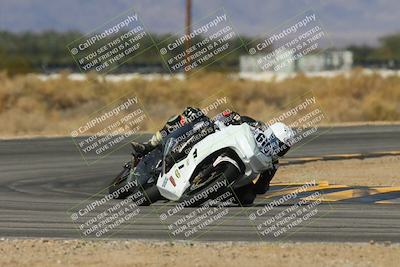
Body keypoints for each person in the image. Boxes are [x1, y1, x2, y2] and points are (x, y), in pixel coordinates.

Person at [131, 107, 295, 197]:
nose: (278, 149)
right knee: (203, 125)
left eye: (283, 148)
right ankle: (163, 149)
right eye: (277, 143)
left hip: (236, 172)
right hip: (219, 138)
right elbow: (229, 115)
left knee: (247, 199)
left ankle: (214, 191)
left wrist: (257, 186)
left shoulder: (272, 164)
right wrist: (227, 120)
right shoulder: (254, 126)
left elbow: (260, 188)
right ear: (269, 133)